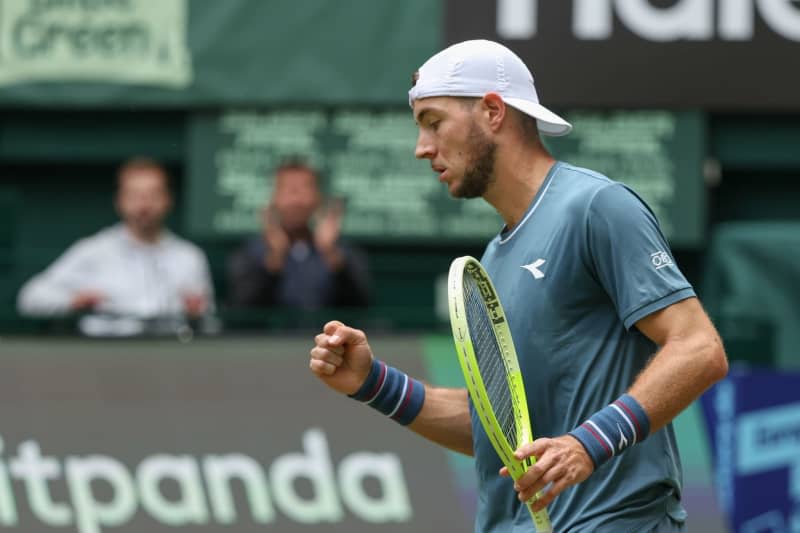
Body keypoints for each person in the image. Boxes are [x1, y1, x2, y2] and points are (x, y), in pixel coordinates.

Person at [309, 40, 727, 532]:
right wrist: (373, 383)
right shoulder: (494, 260)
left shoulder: (597, 207)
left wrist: (587, 444)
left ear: (491, 111)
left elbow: (699, 348)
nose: (422, 148)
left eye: (433, 121)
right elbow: (502, 432)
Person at [17, 157, 215, 336]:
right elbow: (30, 298)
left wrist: (196, 315)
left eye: (153, 194)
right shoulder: (93, 250)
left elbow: (211, 326)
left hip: (172, 358)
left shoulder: (189, 256)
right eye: (135, 195)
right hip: (106, 359)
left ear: (167, 200)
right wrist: (74, 301)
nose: (144, 205)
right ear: (120, 200)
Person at [227, 159, 370, 310]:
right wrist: (275, 258)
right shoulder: (251, 253)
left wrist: (331, 254)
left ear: (318, 198)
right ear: (274, 198)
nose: (296, 200)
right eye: (289, 190)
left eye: (304, 189)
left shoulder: (342, 251)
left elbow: (361, 305)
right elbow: (242, 309)